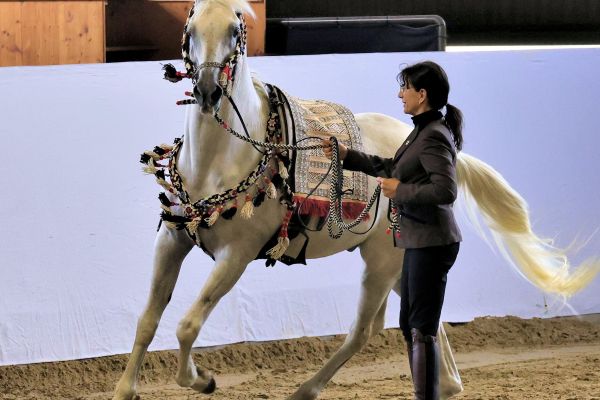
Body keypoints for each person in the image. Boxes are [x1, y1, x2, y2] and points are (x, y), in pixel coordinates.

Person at [323, 60, 463, 400]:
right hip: (416, 238)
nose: (400, 94)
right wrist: (347, 156)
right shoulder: (420, 131)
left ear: (422, 94)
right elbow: (391, 166)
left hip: (433, 241)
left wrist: (401, 190)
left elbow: (446, 191)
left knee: (422, 329)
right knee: (411, 325)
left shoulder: (433, 136)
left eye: (405, 88)